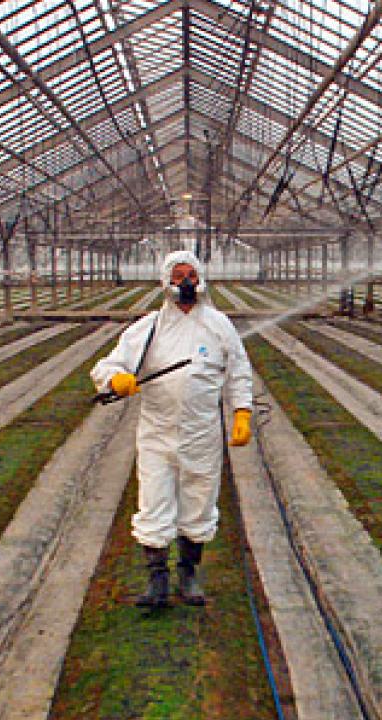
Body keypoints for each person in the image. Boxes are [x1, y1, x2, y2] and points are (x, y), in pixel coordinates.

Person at [91, 249, 253, 608]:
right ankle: (157, 580)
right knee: (154, 501)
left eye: (190, 276)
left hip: (202, 434)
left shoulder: (218, 325)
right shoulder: (148, 329)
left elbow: (238, 370)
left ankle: (189, 573)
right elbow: (107, 364)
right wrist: (115, 378)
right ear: (166, 282)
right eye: (177, 276)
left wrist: (242, 411)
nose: (184, 283)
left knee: (198, 501)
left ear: (201, 280)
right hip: (157, 433)